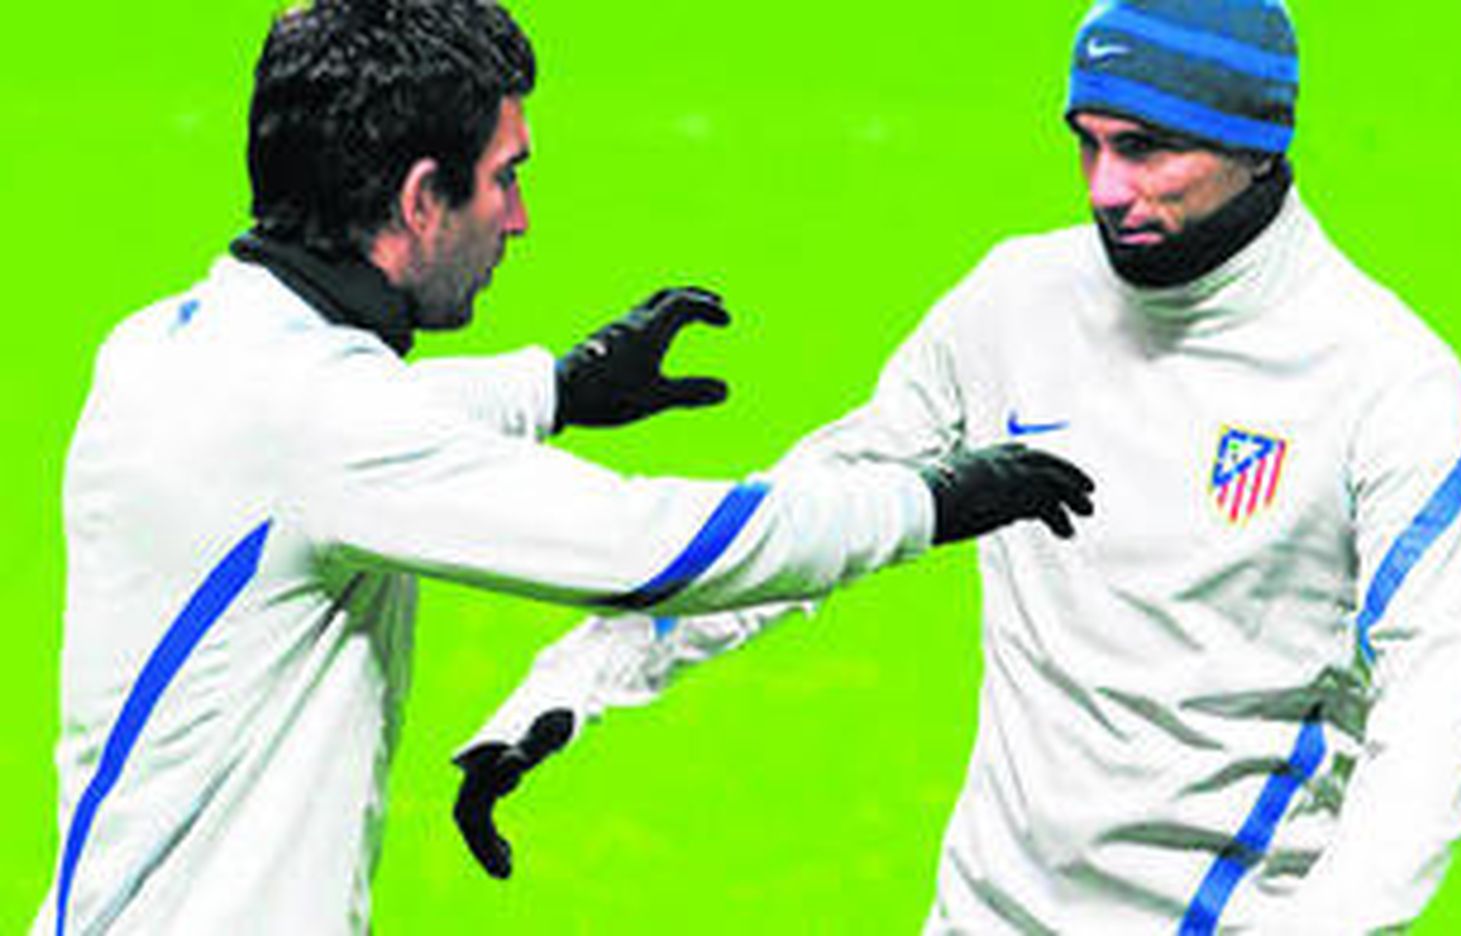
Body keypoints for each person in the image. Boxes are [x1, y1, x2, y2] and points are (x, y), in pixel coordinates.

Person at [31, 1, 1099, 933]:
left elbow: (348, 427)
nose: (520, 218)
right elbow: (658, 550)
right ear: (418, 199)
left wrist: (562, 386)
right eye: (503, 179)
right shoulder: (327, 425)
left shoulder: (164, 346)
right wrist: (933, 499)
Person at [453, 0, 1461, 932]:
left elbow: (1436, 706)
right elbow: (822, 509)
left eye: (1145, 150)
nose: (1105, 190)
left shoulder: (1382, 378)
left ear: (1254, 143)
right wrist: (576, 679)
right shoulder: (1016, 302)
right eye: (1085, 144)